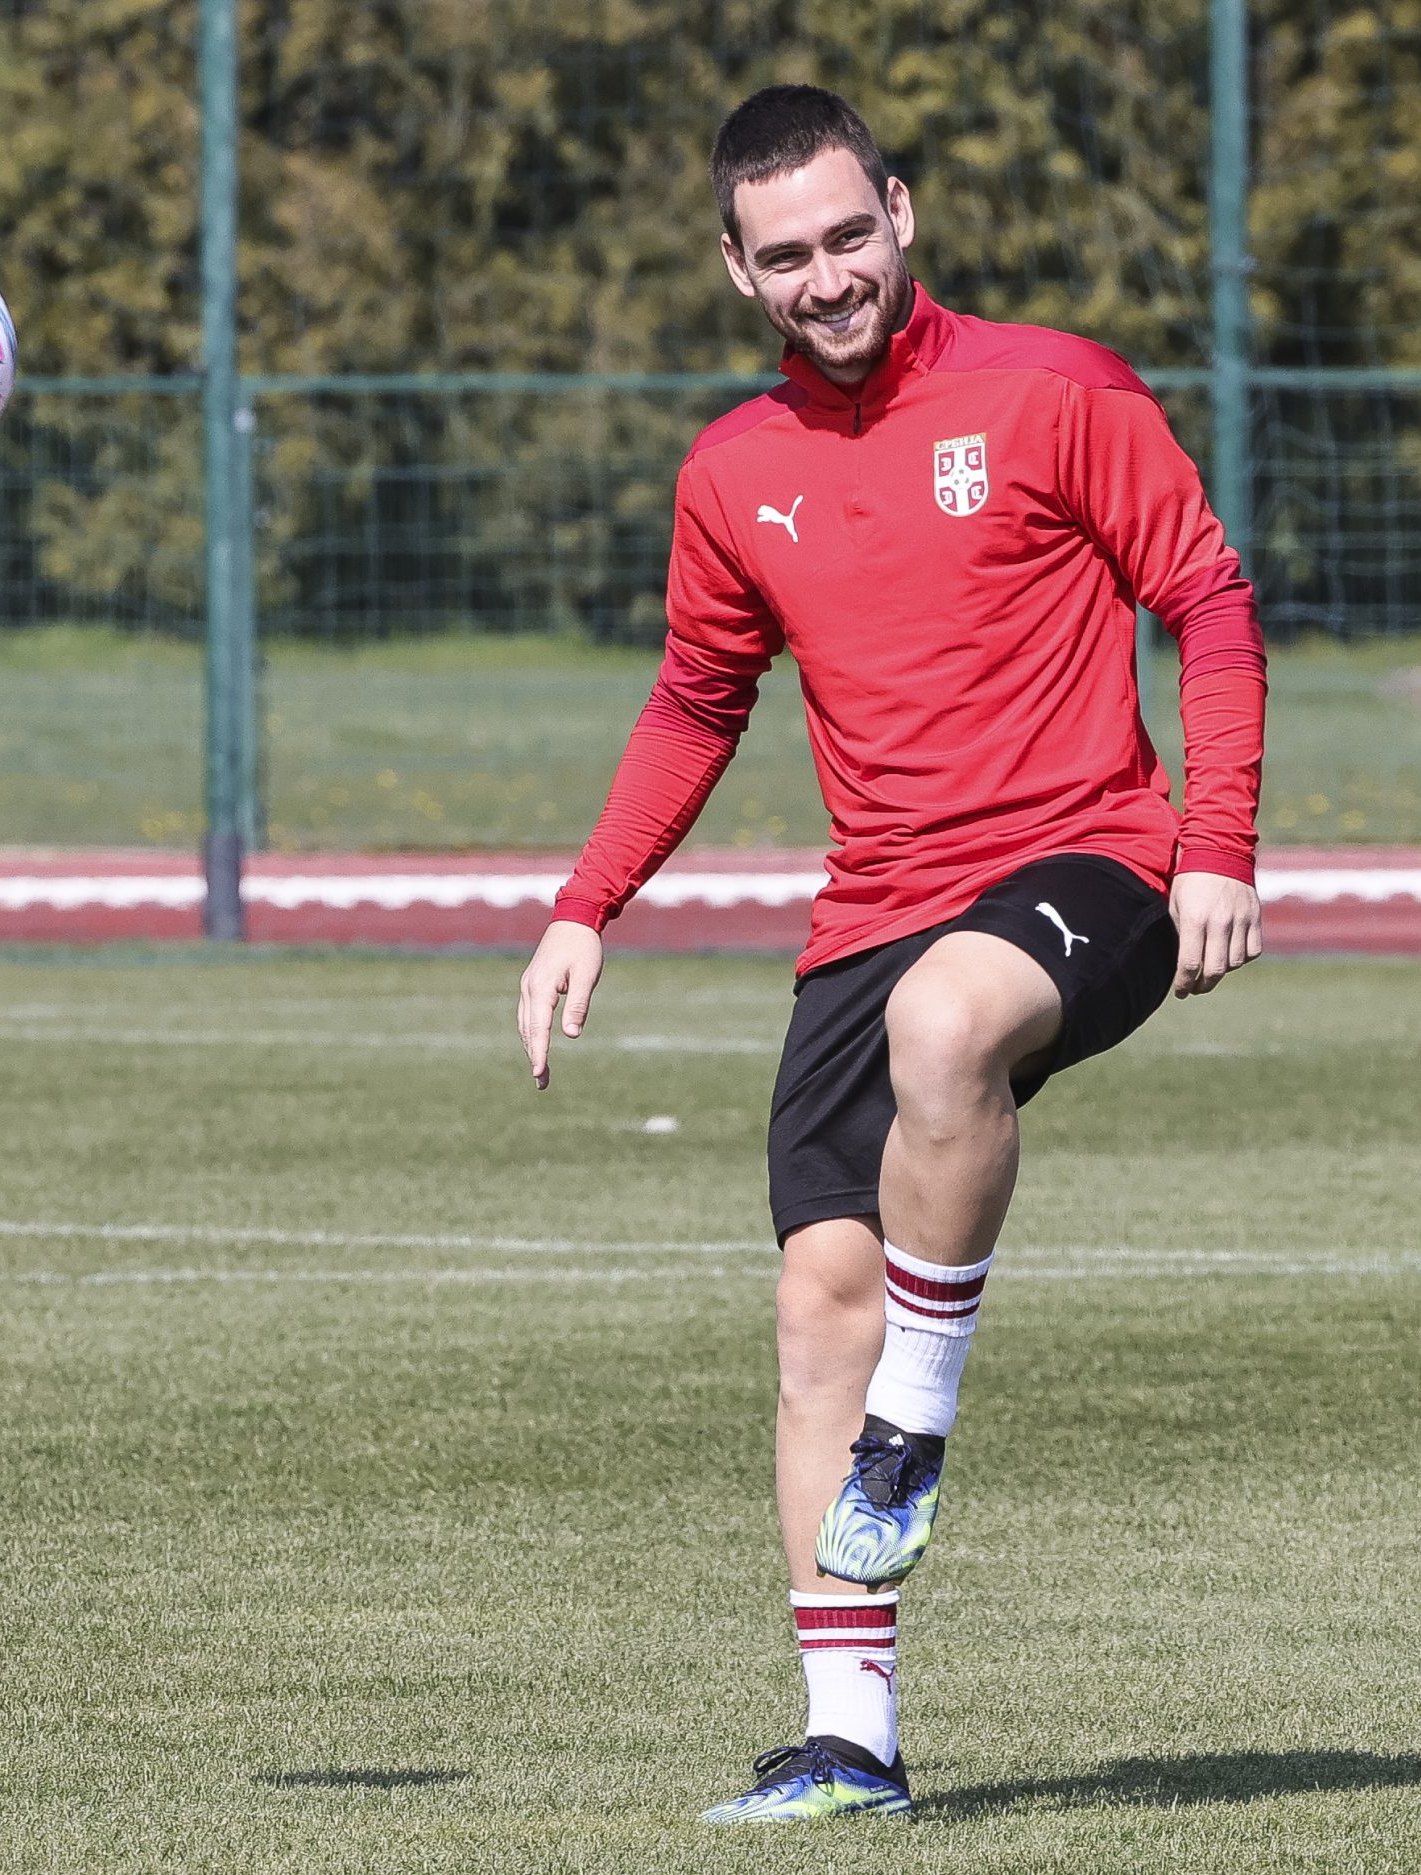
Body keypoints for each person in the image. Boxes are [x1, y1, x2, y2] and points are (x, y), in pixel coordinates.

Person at [515, 84, 1266, 1824]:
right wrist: (584, 903)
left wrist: (1219, 844)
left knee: (947, 1025)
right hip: (874, 906)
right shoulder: (732, 471)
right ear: (738, 271)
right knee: (815, 1308)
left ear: (903, 214)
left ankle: (912, 1429)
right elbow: (697, 702)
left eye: (851, 235)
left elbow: (1208, 601)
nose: (829, 276)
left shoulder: (1056, 390)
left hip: (1092, 862)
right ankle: (852, 1744)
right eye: (788, 255)